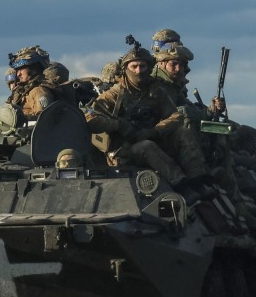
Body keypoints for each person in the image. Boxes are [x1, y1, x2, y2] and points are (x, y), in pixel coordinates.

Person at [85, 43, 212, 199]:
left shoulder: (155, 91)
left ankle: (198, 181)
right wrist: (118, 125)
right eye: (134, 66)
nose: (138, 71)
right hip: (124, 151)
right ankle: (182, 185)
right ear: (126, 69)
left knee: (183, 133)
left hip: (152, 139)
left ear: (149, 68)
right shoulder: (115, 94)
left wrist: (155, 131)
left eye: (142, 66)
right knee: (146, 147)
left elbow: (176, 116)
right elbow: (89, 117)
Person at [8, 46, 56, 118]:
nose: (18, 74)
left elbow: (43, 119)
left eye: (21, 69)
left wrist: (22, 119)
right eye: (17, 70)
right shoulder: (24, 91)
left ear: (34, 68)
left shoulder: (38, 91)